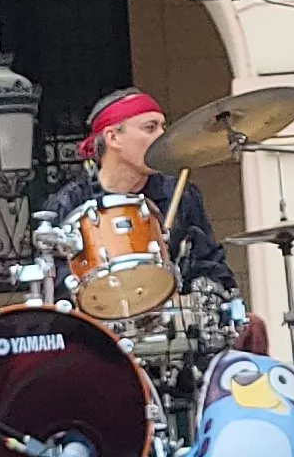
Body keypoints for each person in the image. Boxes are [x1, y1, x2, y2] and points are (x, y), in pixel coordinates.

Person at [35, 88, 236, 303]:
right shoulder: (69, 204)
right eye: (150, 128)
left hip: (172, 316)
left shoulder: (180, 195)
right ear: (113, 137)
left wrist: (209, 293)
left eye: (163, 127)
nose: (162, 136)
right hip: (100, 315)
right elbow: (53, 281)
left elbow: (211, 265)